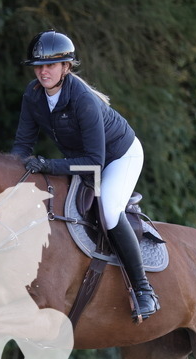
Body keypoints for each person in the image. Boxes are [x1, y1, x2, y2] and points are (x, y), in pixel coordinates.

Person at [11, 29, 159, 321]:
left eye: (50, 65)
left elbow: (94, 162)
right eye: (38, 67)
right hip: (81, 159)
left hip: (119, 157)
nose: (43, 72)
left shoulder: (82, 100)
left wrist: (47, 165)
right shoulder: (33, 95)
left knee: (109, 211)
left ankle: (143, 290)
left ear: (66, 67)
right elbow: (22, 146)